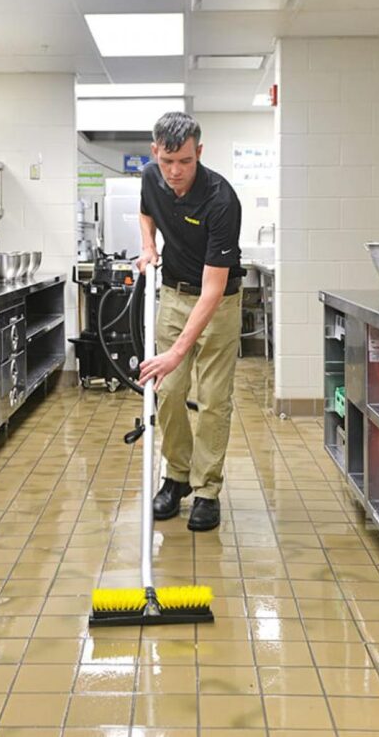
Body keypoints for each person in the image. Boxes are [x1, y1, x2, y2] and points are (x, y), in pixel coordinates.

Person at [136, 111, 243, 532]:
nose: (175, 171)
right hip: (175, 295)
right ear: (155, 153)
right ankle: (177, 477)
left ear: (199, 152)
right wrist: (148, 244)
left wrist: (176, 352)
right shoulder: (150, 177)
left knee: (214, 400)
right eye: (167, 161)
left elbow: (214, 290)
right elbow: (147, 210)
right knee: (169, 391)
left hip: (218, 304)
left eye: (185, 161)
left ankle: (206, 491)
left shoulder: (221, 199)